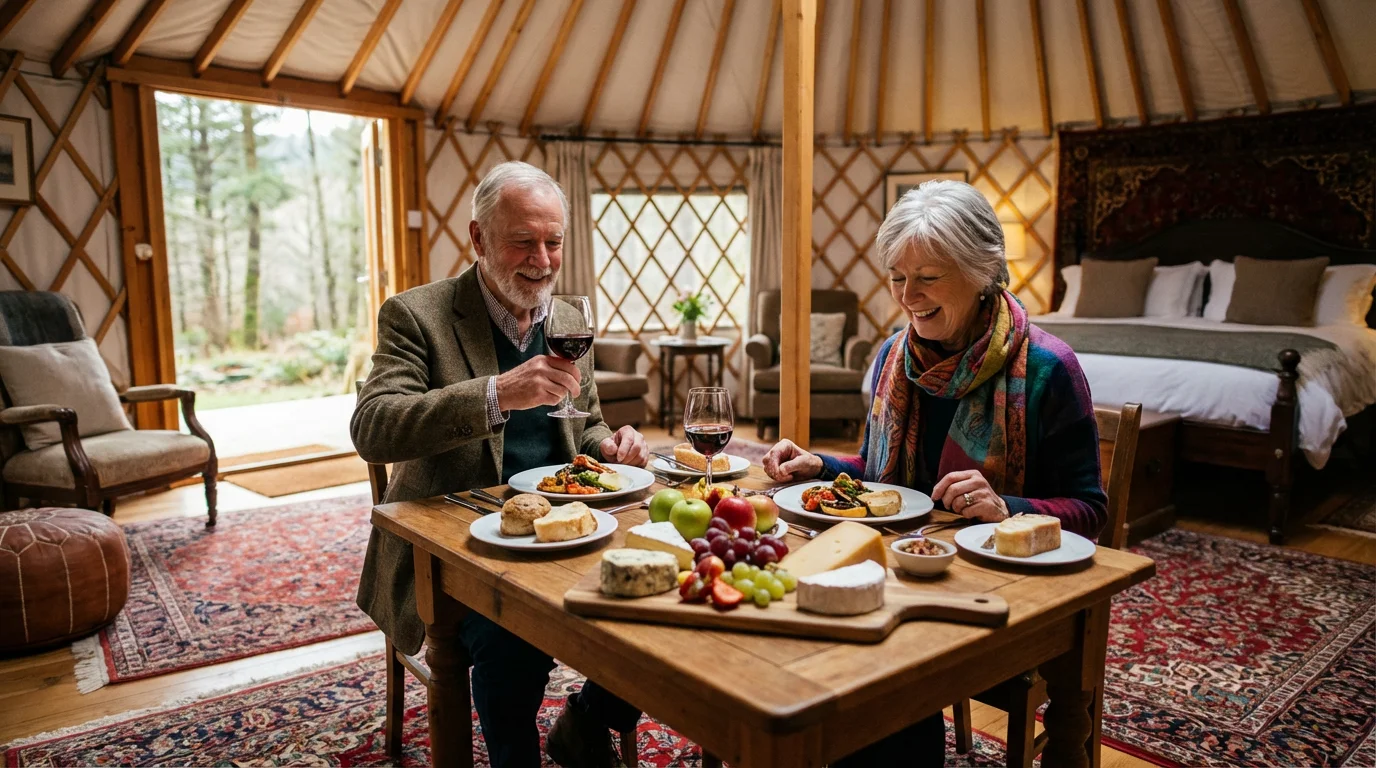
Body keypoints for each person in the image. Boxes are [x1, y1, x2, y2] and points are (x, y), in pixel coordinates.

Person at [762, 180, 1107, 766]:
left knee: (877, 680)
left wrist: (1008, 508)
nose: (908, 296)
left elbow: (1090, 512)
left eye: (928, 277)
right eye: (898, 277)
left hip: (1001, 593)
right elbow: (888, 483)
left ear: (981, 272)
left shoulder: (1049, 369)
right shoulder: (896, 358)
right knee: (807, 638)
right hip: (912, 573)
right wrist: (820, 465)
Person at [352, 161, 648, 768]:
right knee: (513, 637)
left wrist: (610, 446)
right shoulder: (417, 316)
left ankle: (589, 719)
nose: (542, 258)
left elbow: (583, 424)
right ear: (479, 238)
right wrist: (495, 394)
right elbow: (373, 427)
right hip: (458, 540)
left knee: (650, 592)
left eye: (554, 241)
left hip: (567, 522)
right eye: (523, 241)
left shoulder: (568, 320)